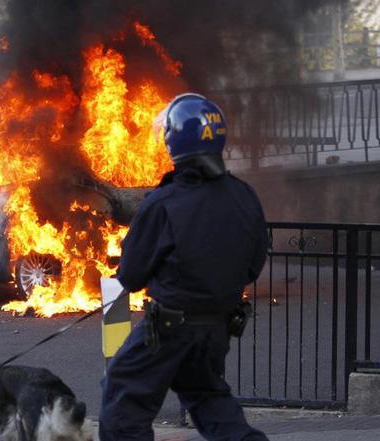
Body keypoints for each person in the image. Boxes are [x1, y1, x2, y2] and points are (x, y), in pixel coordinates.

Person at [100, 93, 269, 441]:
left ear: (173, 140)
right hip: (218, 328)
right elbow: (254, 265)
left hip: (169, 330)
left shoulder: (164, 202)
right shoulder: (244, 196)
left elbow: (130, 275)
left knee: (124, 396)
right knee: (209, 399)